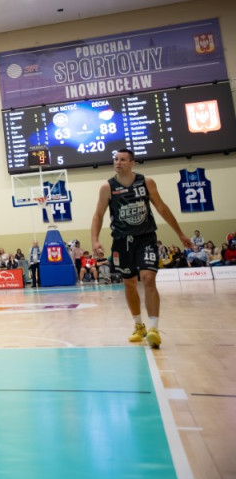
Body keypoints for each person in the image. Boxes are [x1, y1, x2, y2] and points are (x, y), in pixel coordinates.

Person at [90, 148, 192, 349]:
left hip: (146, 238)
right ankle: (139, 326)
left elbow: (162, 208)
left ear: (132, 163)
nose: (118, 162)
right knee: (129, 284)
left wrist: (180, 233)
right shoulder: (107, 187)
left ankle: (154, 328)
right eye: (116, 159)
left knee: (148, 278)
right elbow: (98, 215)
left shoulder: (146, 182)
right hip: (121, 241)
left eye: (123, 159)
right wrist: (95, 240)